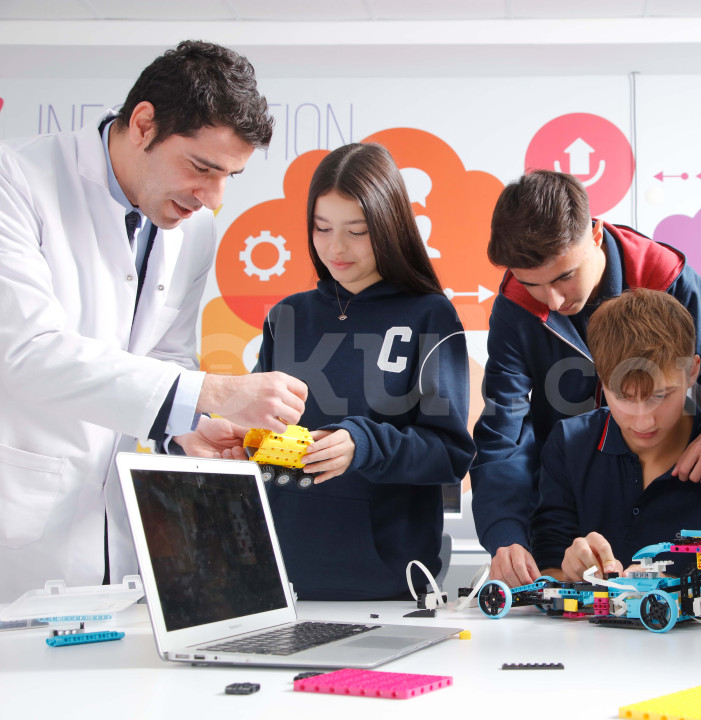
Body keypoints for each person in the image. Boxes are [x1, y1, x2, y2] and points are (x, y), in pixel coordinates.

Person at [0, 40, 309, 602]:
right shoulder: (16, 181)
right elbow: (26, 351)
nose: (212, 198)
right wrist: (213, 392)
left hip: (118, 537)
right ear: (144, 124)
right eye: (202, 168)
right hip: (20, 531)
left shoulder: (191, 227)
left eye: (229, 176)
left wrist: (185, 427)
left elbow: (165, 355)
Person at [471, 170, 701, 587]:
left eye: (564, 276)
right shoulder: (515, 306)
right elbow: (502, 432)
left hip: (676, 496)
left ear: (595, 235)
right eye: (532, 284)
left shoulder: (665, 275)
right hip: (570, 503)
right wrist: (505, 531)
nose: (553, 300)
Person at [243, 143, 474, 600]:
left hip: (386, 585)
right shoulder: (286, 315)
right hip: (280, 582)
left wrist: (363, 445)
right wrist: (243, 440)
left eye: (357, 231)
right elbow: (259, 431)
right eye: (322, 228)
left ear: (389, 228)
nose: (336, 248)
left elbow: (450, 454)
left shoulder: (430, 316)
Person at [530, 289, 701, 619]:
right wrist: (571, 577)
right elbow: (547, 570)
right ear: (601, 377)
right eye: (624, 397)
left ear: (692, 371)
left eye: (661, 395)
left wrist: (665, 607)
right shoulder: (569, 445)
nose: (643, 421)